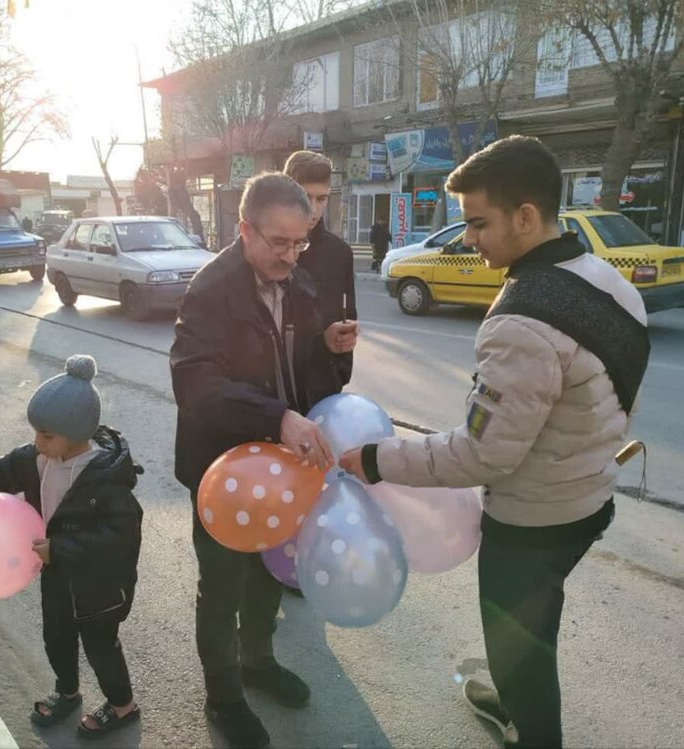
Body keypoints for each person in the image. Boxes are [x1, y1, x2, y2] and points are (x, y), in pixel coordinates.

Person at [340, 135, 650, 749]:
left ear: (526, 216)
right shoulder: (607, 281)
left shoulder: (522, 323)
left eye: (479, 223)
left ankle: (527, 723)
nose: (469, 239)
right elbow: (623, 394)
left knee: (521, 654)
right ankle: (512, 700)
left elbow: (482, 454)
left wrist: (376, 459)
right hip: (591, 498)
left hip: (532, 526)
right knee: (536, 626)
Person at [170, 173, 350, 749]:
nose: (291, 256)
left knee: (271, 573)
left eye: (300, 243)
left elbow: (301, 370)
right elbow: (196, 385)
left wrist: (328, 347)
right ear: (245, 229)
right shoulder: (210, 291)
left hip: (284, 469)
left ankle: (257, 661)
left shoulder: (298, 283)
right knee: (222, 589)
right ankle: (223, 697)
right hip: (222, 473)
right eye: (279, 243)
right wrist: (277, 417)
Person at [0, 355, 143, 738]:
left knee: (101, 647)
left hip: (97, 586)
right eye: (36, 434)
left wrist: (60, 549)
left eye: (46, 436)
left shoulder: (106, 478)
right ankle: (67, 690)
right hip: (56, 574)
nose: (37, 443)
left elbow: (119, 538)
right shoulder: (40, 458)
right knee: (56, 636)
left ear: (76, 433)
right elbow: (6, 468)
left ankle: (122, 705)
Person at [283, 150, 359, 388]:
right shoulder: (267, 249)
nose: (313, 210)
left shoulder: (339, 253)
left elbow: (347, 317)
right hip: (275, 388)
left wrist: (339, 372)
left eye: (321, 199)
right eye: (306, 197)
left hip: (324, 385)